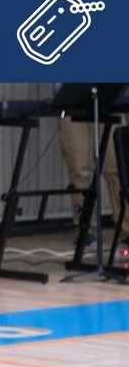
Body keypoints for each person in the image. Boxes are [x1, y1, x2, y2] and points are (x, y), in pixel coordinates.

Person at [54, 84, 129, 246]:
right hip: (72, 102)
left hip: (110, 99)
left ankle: (127, 229)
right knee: (80, 171)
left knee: (119, 167)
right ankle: (85, 230)